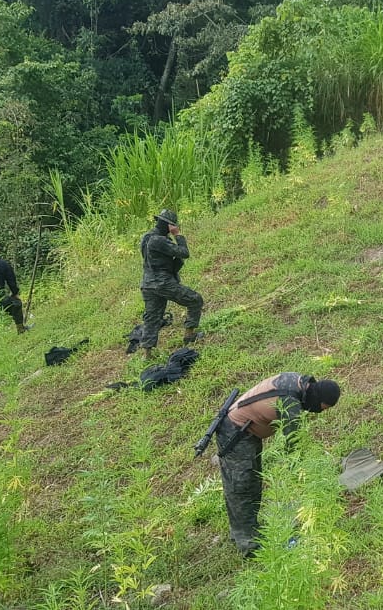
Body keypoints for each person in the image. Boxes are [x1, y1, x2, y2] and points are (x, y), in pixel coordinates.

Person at [216, 372, 341, 557]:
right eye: (322, 408)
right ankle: (248, 544)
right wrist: (303, 475)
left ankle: (248, 530)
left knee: (252, 483)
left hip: (246, 433)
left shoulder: (297, 383)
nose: (319, 411)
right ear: (318, 398)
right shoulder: (291, 403)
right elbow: (294, 445)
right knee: (241, 487)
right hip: (235, 433)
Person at [138, 209, 203, 359]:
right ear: (169, 225)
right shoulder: (159, 240)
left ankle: (147, 354)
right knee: (195, 299)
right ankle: (189, 334)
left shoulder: (146, 237)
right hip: (162, 282)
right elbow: (183, 252)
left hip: (148, 284)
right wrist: (178, 235)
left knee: (152, 317)